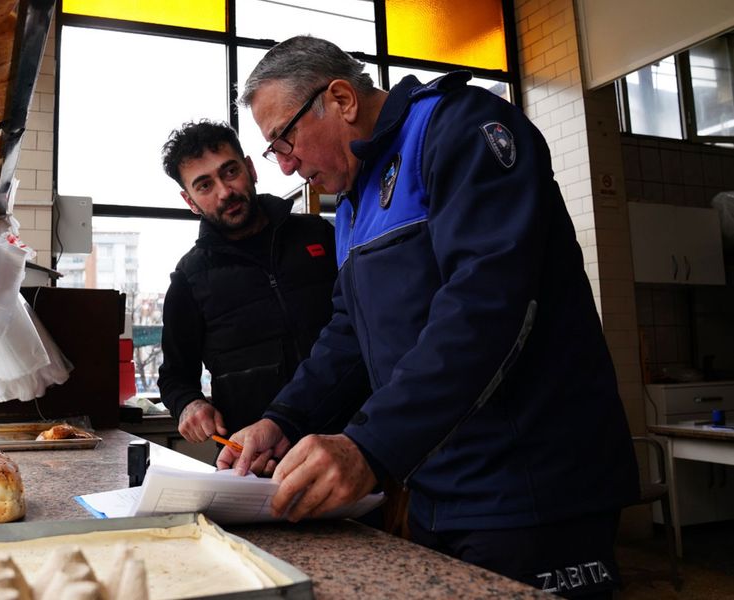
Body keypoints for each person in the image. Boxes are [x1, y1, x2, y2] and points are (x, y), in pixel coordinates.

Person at [219, 36, 640, 598]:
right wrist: (282, 421)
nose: (286, 163)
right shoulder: (351, 201)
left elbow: (487, 306)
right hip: (439, 487)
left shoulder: (461, 129)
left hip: (531, 484)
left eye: (283, 139)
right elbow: (349, 334)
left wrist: (368, 446)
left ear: (341, 99)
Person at [157, 119, 366, 445]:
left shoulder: (320, 236)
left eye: (229, 172)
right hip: (256, 460)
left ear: (251, 169)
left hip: (354, 442)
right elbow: (174, 377)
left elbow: (365, 324)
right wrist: (188, 404)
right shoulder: (189, 278)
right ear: (190, 202)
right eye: (204, 186)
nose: (225, 192)